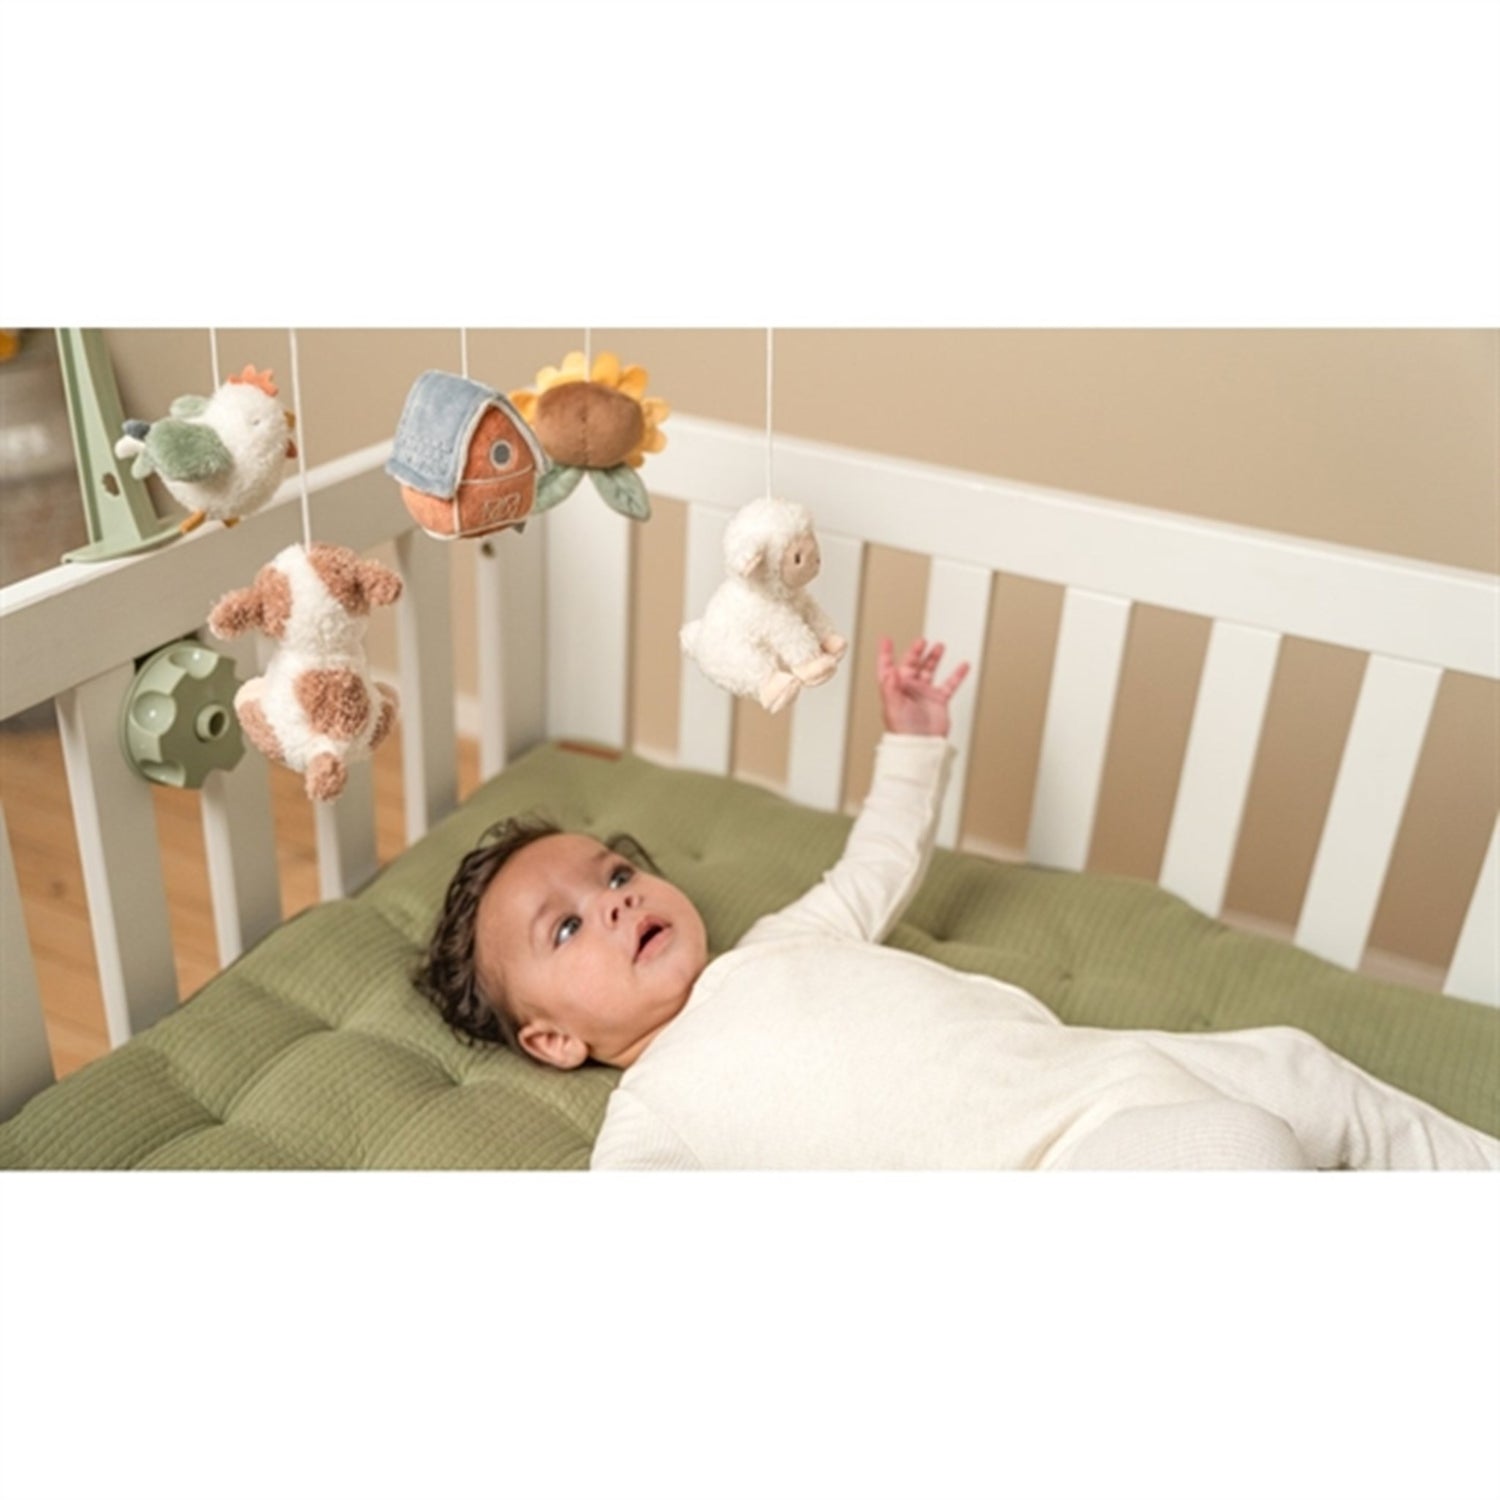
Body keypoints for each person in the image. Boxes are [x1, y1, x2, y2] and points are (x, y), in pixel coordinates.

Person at [415, 638, 1500, 1171]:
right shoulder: (653, 1116)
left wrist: (915, 743)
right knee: (1236, 1149)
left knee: (1306, 1073)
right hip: (1051, 1175)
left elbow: (877, 862)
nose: (613, 904)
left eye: (614, 875)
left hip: (1113, 1071)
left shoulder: (781, 944)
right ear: (553, 1041)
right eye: (567, 927)